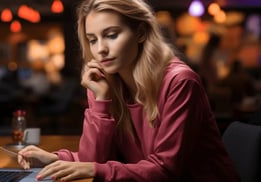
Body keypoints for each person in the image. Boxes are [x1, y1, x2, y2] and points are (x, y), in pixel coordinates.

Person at [17, 0, 240, 181]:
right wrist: (56, 158)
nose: (100, 49)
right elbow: (95, 159)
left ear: (140, 33)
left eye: (112, 35)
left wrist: (95, 169)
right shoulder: (104, 82)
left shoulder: (180, 81)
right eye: (92, 40)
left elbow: (165, 170)